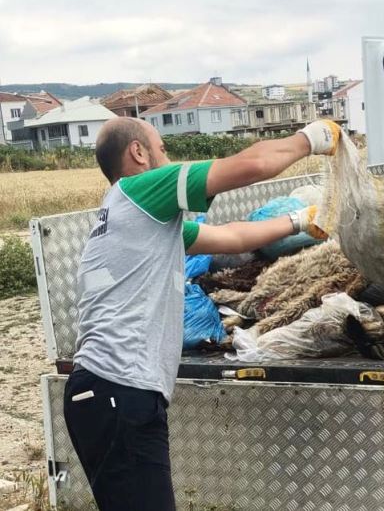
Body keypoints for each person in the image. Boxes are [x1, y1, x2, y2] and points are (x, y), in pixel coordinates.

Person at [63, 117, 340, 511]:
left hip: (109, 393)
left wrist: (299, 221)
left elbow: (232, 237)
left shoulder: (144, 222)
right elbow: (250, 166)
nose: (167, 157)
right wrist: (312, 138)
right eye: (162, 149)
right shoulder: (141, 190)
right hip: (118, 391)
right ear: (138, 153)